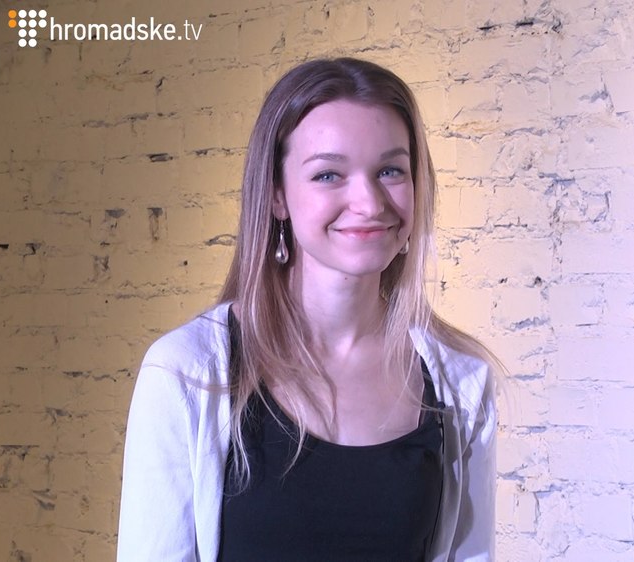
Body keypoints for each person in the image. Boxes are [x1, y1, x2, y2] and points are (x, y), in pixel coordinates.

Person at [117, 57, 500, 562]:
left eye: (390, 170)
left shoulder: (462, 382)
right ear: (277, 195)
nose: (369, 202)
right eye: (328, 174)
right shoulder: (185, 373)